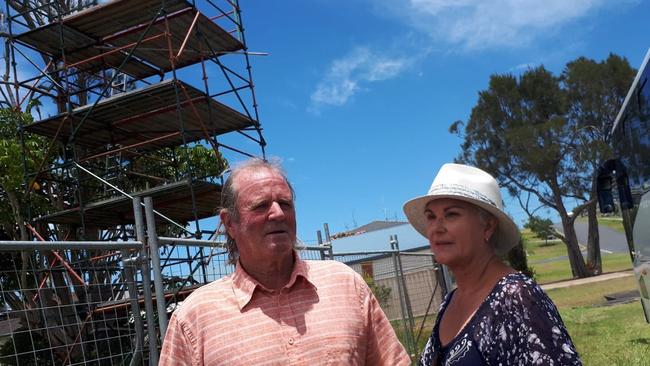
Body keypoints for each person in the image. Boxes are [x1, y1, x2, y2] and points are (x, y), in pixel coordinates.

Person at [159, 158, 410, 365]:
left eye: (285, 204)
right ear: (229, 223)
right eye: (261, 206)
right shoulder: (194, 317)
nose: (278, 213)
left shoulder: (346, 285)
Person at [402, 163, 581, 366]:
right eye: (431, 217)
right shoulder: (449, 301)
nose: (436, 228)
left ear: (487, 226)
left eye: (451, 214)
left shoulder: (516, 297)